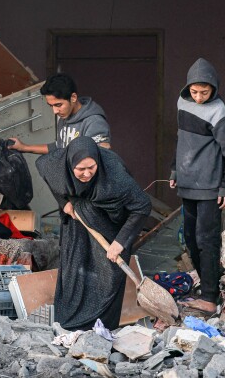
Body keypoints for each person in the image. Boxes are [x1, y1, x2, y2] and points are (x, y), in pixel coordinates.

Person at [36, 136, 151, 330]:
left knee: (107, 275)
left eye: (92, 167)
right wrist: (64, 203)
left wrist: (120, 242)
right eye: (80, 169)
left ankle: (102, 328)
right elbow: (45, 171)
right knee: (76, 268)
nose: (87, 174)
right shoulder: (55, 166)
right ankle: (69, 325)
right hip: (77, 221)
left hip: (111, 223)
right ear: (70, 163)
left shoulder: (116, 177)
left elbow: (142, 206)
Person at [169, 58, 225, 315]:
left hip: (210, 185)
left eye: (205, 92)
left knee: (206, 240)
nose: (198, 97)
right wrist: (175, 169)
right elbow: (180, 140)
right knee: (189, 238)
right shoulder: (182, 102)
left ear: (215, 89)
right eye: (194, 91)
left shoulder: (220, 111)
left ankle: (210, 298)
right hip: (187, 183)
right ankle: (208, 287)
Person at [8, 73, 111, 154]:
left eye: (58, 105)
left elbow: (99, 158)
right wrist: (24, 147)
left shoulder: (94, 122)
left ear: (73, 98)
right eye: (51, 105)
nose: (55, 111)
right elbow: (60, 148)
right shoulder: (64, 117)